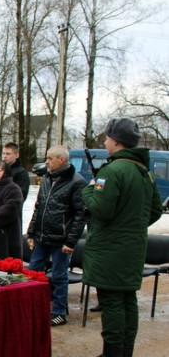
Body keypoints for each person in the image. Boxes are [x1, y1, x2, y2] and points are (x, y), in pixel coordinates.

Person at [81, 118, 162, 357]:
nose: (105, 142)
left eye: (107, 138)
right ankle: (125, 351)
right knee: (127, 301)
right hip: (133, 249)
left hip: (109, 251)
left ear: (116, 141)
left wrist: (88, 189)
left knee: (112, 302)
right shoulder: (144, 171)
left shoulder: (112, 170)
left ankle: (112, 353)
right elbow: (155, 210)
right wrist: (131, 226)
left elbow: (101, 209)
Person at [26, 145, 87, 327]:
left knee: (60, 276)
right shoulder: (46, 178)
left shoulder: (77, 182)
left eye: (50, 158)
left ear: (62, 160)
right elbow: (39, 207)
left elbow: (80, 214)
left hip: (61, 241)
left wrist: (71, 240)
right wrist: (31, 232)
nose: (46, 161)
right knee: (33, 272)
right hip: (42, 237)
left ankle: (59, 311)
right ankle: (31, 306)